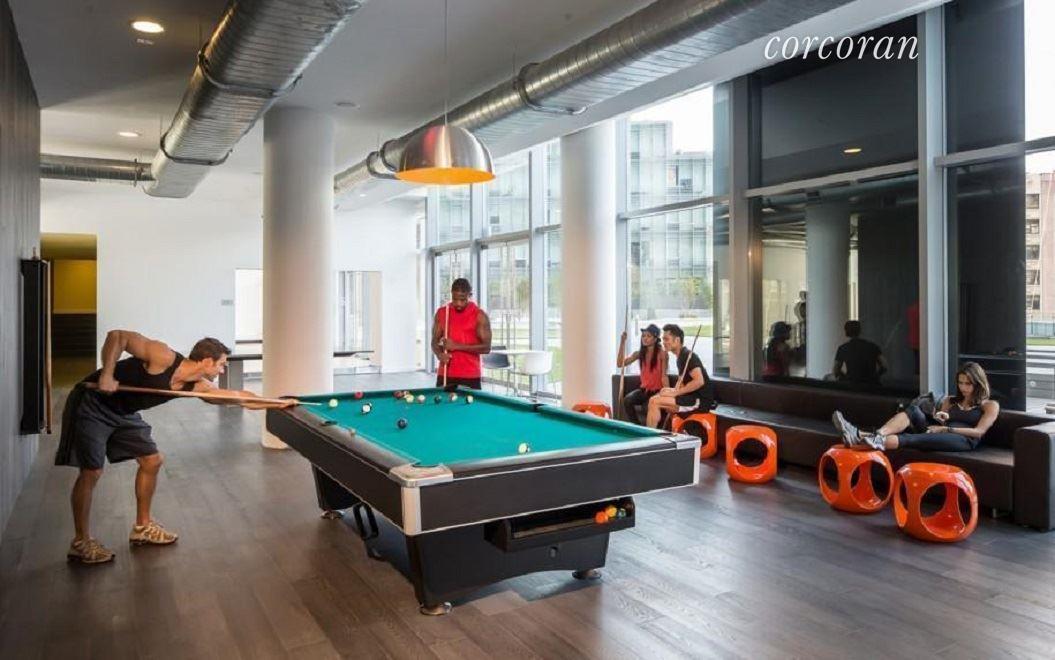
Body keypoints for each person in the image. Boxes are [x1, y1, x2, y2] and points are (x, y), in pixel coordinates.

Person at [56, 331, 290, 565]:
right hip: (93, 403)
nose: (222, 371)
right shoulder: (163, 356)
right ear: (207, 361)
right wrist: (107, 374)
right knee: (92, 471)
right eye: (221, 365)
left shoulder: (198, 386)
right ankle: (81, 541)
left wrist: (276, 404)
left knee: (152, 460)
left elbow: (240, 397)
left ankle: (143, 527)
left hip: (123, 412)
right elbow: (118, 337)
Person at [832, 362, 999, 452]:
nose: (963, 387)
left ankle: (858, 436)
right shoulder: (951, 400)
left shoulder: (989, 405)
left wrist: (946, 429)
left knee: (909, 438)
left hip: (963, 440)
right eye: (961, 383)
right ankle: (879, 435)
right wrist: (941, 418)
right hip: (940, 432)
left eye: (968, 384)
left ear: (978, 383)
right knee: (912, 410)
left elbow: (979, 432)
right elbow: (940, 422)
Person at [645, 324, 716, 428]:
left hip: (700, 400)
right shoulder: (680, 357)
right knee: (662, 391)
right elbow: (682, 382)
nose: (664, 342)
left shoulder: (688, 356)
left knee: (654, 401)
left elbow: (699, 381)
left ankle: (650, 435)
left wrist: (675, 393)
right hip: (690, 397)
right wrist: (671, 391)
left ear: (677, 340)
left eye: (666, 339)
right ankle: (662, 431)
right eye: (663, 339)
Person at [431, 278, 492, 390]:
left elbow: (486, 348)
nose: (458, 303)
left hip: (470, 375)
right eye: (455, 299)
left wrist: (456, 346)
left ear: (469, 295)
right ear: (451, 294)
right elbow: (434, 341)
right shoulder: (442, 312)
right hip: (445, 373)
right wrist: (439, 354)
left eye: (463, 299)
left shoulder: (479, 315)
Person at [617, 324, 668, 425]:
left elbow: (664, 376)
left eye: (648, 336)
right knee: (627, 400)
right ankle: (637, 426)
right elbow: (620, 363)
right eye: (643, 336)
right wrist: (622, 342)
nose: (645, 338)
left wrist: (668, 393)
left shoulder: (662, 354)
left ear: (655, 339)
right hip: (643, 391)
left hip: (657, 391)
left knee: (647, 407)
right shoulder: (639, 354)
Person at [832, 320, 887, 385]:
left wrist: (845, 377)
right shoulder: (873, 346)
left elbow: (836, 370)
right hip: (872, 385)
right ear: (860, 331)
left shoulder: (843, 348)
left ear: (846, 332)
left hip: (853, 385)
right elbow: (884, 366)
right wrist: (875, 376)